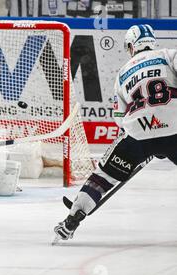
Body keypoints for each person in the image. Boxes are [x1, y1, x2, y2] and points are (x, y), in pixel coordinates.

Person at [54, 24, 177, 242]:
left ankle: (72, 219)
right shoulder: (168, 55)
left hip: (138, 133)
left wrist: (147, 140)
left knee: (102, 177)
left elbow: (119, 119)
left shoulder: (122, 74)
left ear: (131, 46)